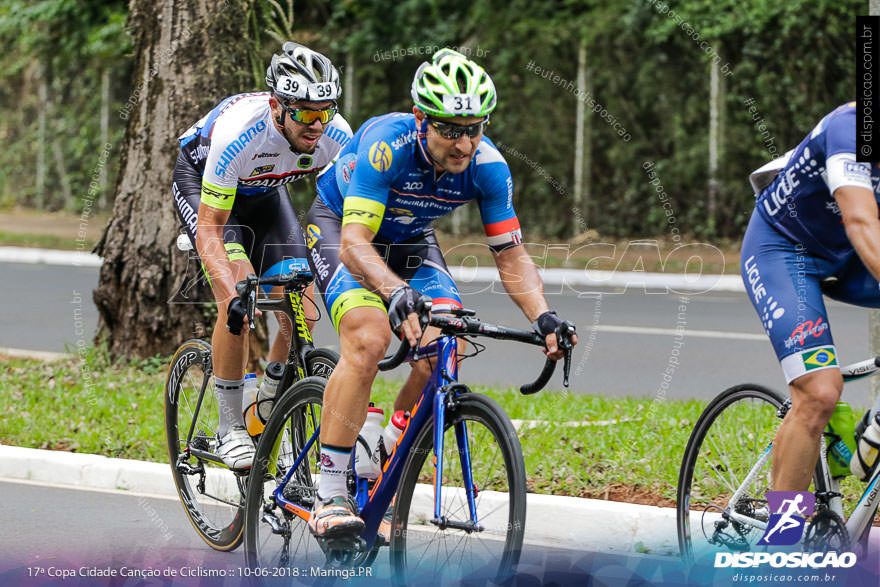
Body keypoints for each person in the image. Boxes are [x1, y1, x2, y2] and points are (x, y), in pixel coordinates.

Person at [303, 48, 578, 540]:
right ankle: (329, 491)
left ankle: (383, 451)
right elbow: (354, 245)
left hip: (410, 240)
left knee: (445, 345)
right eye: (450, 129)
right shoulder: (388, 146)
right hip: (343, 228)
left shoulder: (488, 166)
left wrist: (544, 316)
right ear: (421, 119)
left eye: (474, 127)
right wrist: (393, 291)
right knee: (368, 339)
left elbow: (511, 256)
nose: (464, 142)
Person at [173, 42, 352, 470]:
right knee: (238, 300)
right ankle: (229, 426)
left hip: (266, 193)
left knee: (303, 308)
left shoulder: (337, 136)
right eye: (306, 113)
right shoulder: (241, 134)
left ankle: (270, 403)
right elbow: (212, 228)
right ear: (278, 106)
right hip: (207, 189)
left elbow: (344, 214)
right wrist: (231, 286)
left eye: (325, 111)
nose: (317, 125)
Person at [741, 101, 880, 491]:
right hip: (786, 251)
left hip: (851, 260)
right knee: (819, 393)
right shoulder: (849, 127)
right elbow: (860, 220)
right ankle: (781, 538)